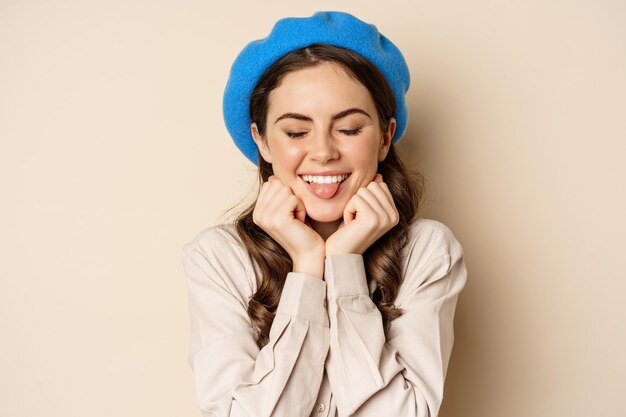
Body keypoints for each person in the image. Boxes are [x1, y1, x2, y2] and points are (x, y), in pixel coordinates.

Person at [182, 11, 468, 417]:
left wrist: (344, 263)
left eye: (349, 129)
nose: (323, 151)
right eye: (296, 132)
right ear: (261, 140)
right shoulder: (217, 258)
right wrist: (307, 268)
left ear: (385, 138)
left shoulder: (429, 252)